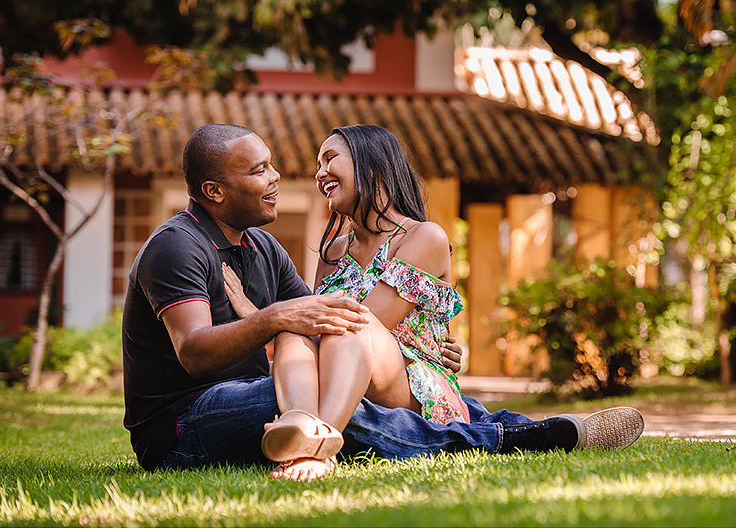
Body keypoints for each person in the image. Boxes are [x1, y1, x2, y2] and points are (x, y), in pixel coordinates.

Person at [121, 123, 643, 481]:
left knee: (327, 373)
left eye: (271, 165)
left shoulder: (263, 248)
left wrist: (274, 318)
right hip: (184, 422)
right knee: (339, 393)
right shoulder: (177, 245)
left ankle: (314, 435)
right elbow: (197, 349)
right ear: (213, 191)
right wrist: (275, 318)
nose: (278, 177)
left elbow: (319, 325)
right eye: (259, 170)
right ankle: (514, 437)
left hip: (348, 370)